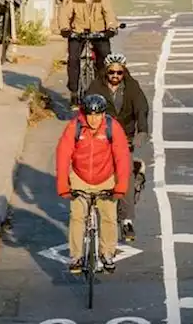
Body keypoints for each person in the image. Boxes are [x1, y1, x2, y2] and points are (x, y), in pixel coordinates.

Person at [55, 94, 131, 274]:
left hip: (105, 177)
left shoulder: (113, 128)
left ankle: (107, 253)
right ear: (84, 113)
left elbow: (122, 157)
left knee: (109, 217)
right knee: (77, 216)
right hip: (80, 177)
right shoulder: (75, 127)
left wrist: (120, 187)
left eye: (98, 115)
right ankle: (76, 256)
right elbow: (63, 156)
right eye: (90, 115)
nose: (94, 119)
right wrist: (63, 186)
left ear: (104, 114)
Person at [86, 53, 150, 242]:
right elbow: (86, 110)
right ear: (106, 72)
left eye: (119, 72)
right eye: (111, 72)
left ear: (124, 72)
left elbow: (141, 108)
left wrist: (142, 132)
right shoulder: (96, 87)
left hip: (125, 137)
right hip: (101, 136)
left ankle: (126, 220)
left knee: (126, 176)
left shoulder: (132, 87)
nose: (115, 75)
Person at [57, 0, 120, 100]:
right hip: (77, 31)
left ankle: (104, 87)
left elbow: (108, 12)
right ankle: (74, 92)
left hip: (99, 31)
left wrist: (111, 27)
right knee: (73, 59)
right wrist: (65, 29)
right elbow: (64, 13)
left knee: (105, 56)